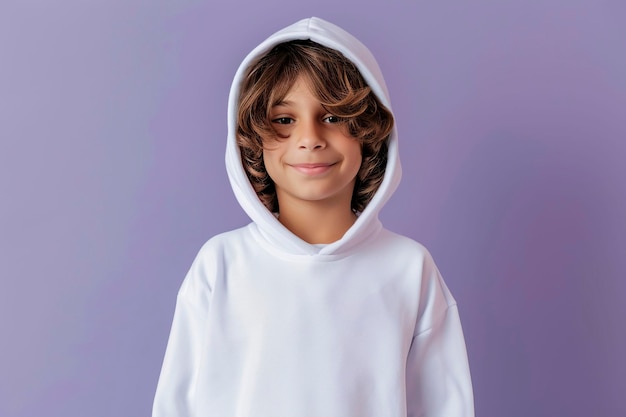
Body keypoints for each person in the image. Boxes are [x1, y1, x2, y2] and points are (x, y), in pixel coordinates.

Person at [152, 17, 474, 417]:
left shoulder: (408, 269)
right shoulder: (221, 265)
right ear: (252, 136)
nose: (310, 138)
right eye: (284, 119)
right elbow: (177, 404)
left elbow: (443, 406)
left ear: (369, 131)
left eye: (334, 117)